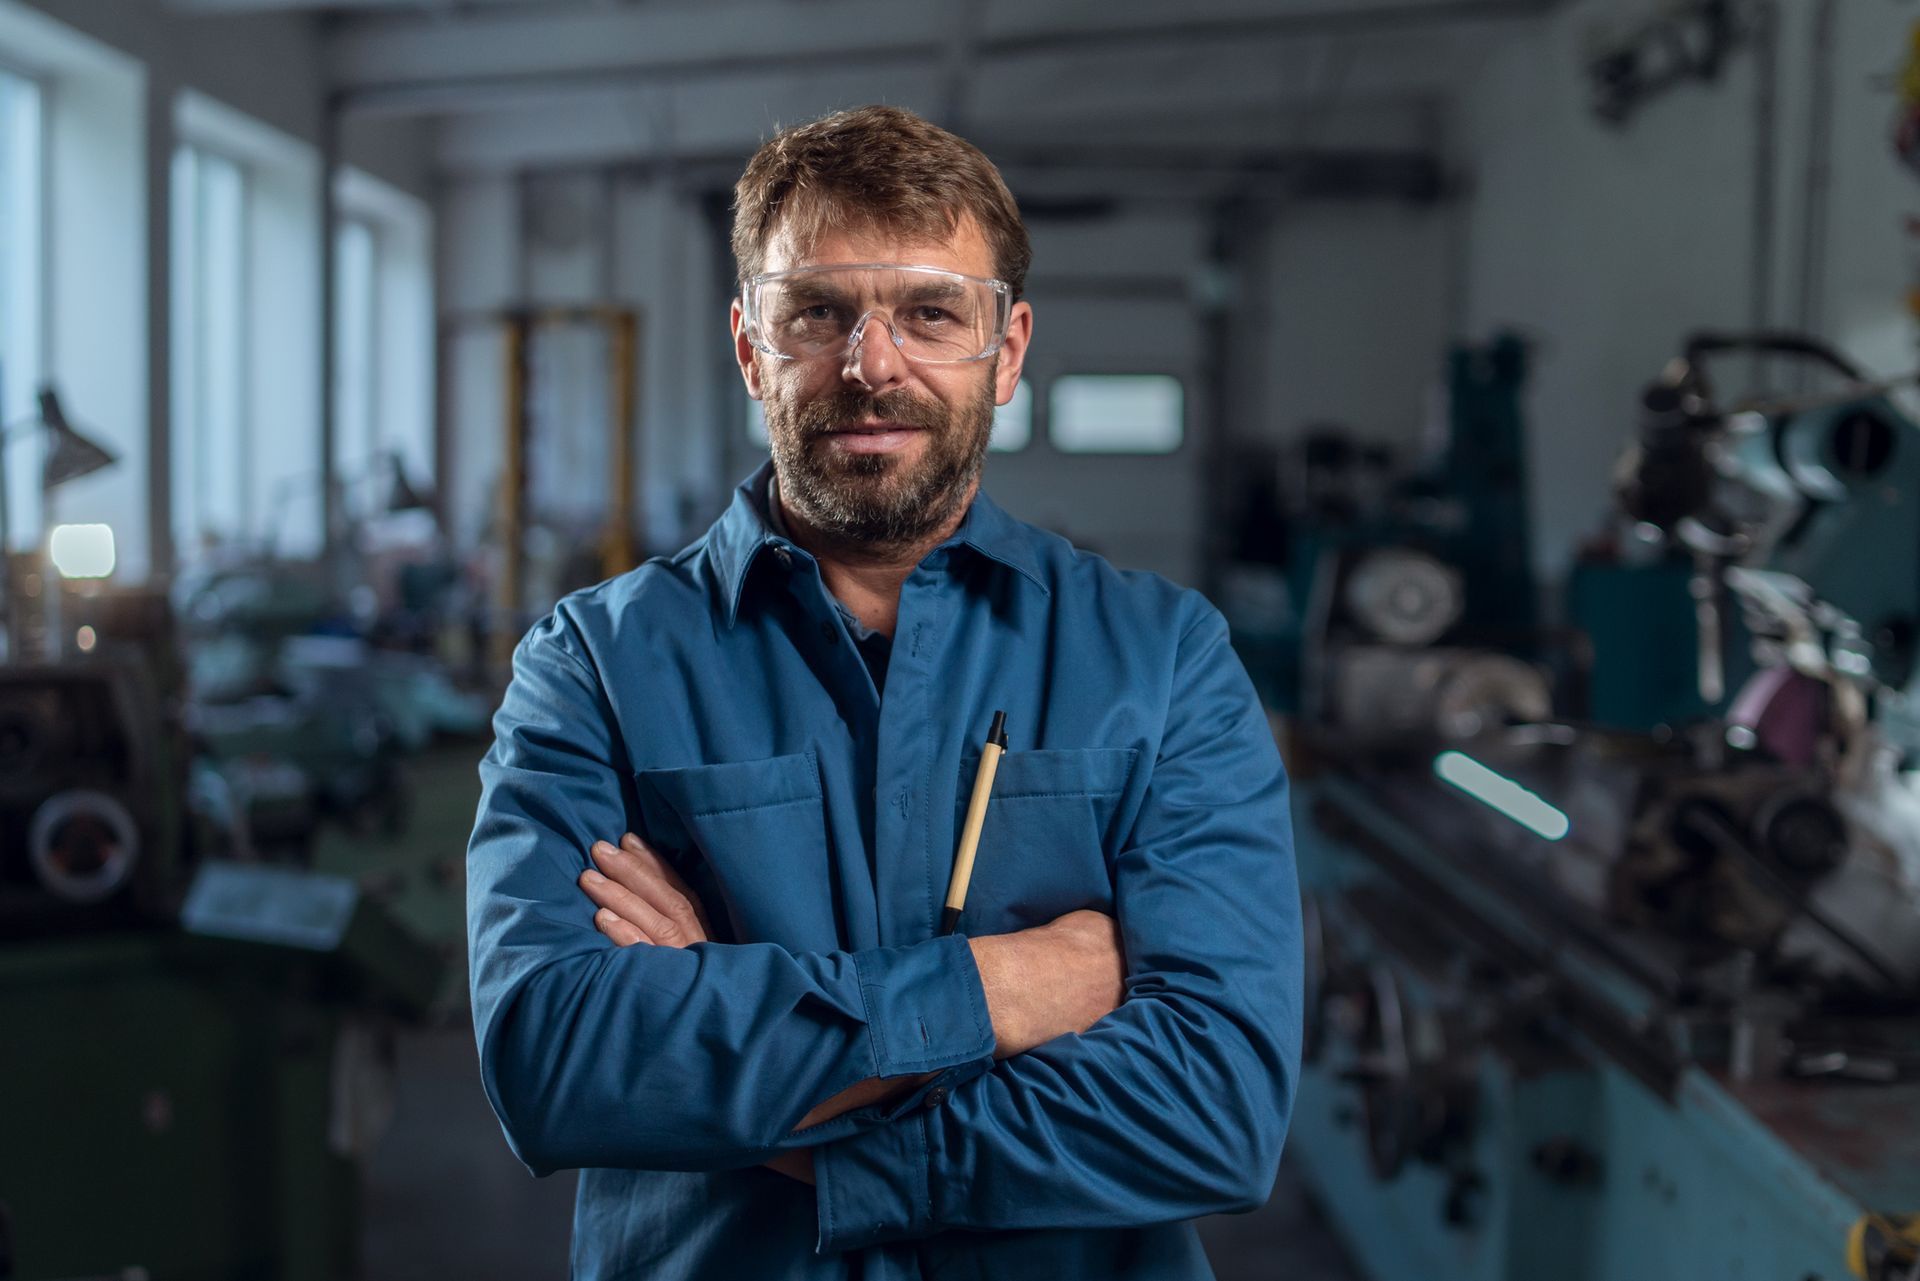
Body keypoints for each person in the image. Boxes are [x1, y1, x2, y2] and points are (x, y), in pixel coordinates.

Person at [467, 104, 1302, 1281]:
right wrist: (1007, 987)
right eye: (817, 312)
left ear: (1005, 352)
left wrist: (771, 1091)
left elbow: (1215, 1106)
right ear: (752, 347)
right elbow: (561, 1064)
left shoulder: (1164, 659)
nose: (872, 365)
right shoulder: (594, 665)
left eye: (930, 313)